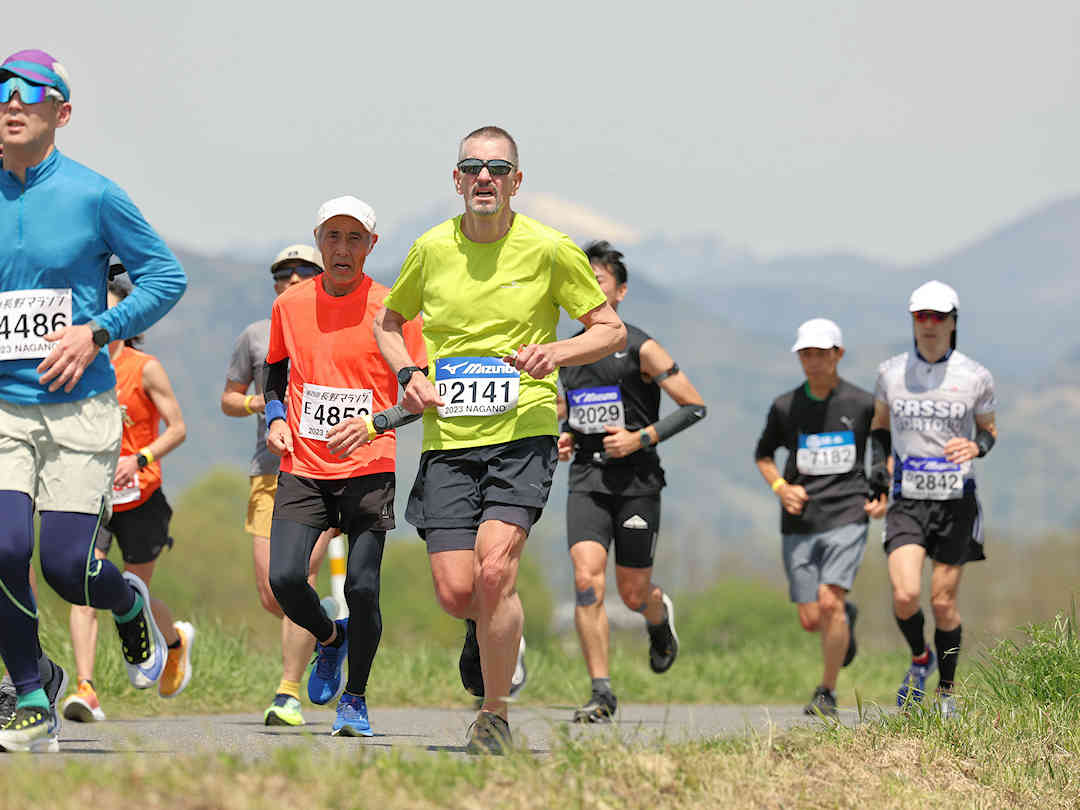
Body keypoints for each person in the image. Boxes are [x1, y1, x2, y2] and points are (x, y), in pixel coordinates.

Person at [373, 125, 626, 754]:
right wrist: (408, 373)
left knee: (494, 570)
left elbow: (609, 329)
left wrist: (558, 351)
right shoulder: (431, 249)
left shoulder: (548, 248)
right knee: (458, 589)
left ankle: (494, 715)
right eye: (472, 167)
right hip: (449, 438)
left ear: (517, 181)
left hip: (523, 432)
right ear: (456, 180)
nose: (484, 178)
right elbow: (389, 323)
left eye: (498, 169)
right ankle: (487, 632)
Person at [0, 49, 186, 752]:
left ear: (61, 113)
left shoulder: (94, 194)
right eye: (1, 93)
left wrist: (98, 330)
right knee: (3, 546)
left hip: (79, 407)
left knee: (65, 566)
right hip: (3, 409)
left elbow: (164, 279)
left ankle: (126, 600)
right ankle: (31, 692)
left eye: (29, 94)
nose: (12, 103)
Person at [264, 196, 425, 737]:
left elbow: (420, 396)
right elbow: (275, 374)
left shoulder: (394, 311)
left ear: (371, 246)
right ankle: (331, 639)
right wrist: (273, 417)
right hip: (304, 465)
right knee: (284, 578)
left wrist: (374, 424)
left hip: (369, 465)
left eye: (355, 238)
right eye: (333, 236)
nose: (342, 248)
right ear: (318, 241)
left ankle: (354, 699)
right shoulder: (289, 305)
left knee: (361, 588)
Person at [556, 241, 704, 723]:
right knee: (586, 582)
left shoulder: (640, 345)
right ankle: (601, 691)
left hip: (637, 483)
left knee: (633, 594)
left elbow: (693, 405)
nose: (589, 288)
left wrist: (642, 438)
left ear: (619, 292)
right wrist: (560, 436)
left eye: (598, 280)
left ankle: (658, 620)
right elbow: (566, 411)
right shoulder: (568, 350)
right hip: (587, 478)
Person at [60, 276, 193, 722]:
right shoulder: (80, 364)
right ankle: (86, 689)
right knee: (83, 586)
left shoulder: (144, 367)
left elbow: (177, 428)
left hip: (142, 496)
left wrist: (139, 458)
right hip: (93, 494)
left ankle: (173, 642)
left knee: (133, 592)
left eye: (112, 311)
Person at [869, 281, 997, 718]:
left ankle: (946, 690)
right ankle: (919, 657)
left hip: (955, 501)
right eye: (921, 316)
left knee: (943, 602)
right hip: (908, 499)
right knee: (906, 595)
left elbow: (989, 429)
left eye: (937, 316)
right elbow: (880, 428)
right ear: (912, 321)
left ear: (953, 321)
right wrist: (877, 474)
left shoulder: (975, 375)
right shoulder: (890, 373)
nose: (928, 324)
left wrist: (976, 446)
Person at [221, 244, 336, 726]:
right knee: (273, 592)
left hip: (323, 471)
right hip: (268, 469)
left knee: (299, 576)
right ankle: (329, 631)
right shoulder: (255, 335)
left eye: (302, 272)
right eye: (282, 275)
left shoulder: (336, 328)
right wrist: (260, 408)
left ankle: (287, 693)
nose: (291, 280)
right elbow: (229, 397)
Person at [754, 318, 884, 717]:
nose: (812, 361)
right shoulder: (785, 406)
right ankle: (846, 622)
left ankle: (826, 691)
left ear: (838, 355)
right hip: (800, 518)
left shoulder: (863, 404)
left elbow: (882, 453)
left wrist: (881, 494)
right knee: (812, 617)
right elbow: (763, 456)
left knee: (830, 601)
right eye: (805, 354)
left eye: (820, 354)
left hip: (848, 512)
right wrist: (781, 488)